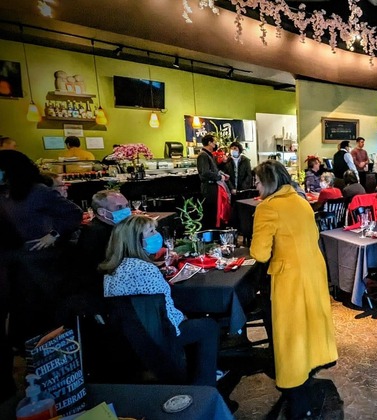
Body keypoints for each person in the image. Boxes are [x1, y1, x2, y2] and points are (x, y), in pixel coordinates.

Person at [250, 160, 338, 419]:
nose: (254, 184)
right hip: (313, 269)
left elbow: (259, 252)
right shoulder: (300, 200)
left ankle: (294, 384)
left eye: (257, 180)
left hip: (288, 275)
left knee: (289, 330)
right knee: (310, 322)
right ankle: (311, 365)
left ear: (268, 181)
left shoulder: (268, 208)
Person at [100, 215, 219, 386]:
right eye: (151, 231)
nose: (156, 234)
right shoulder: (146, 270)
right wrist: (183, 318)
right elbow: (166, 314)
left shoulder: (112, 269)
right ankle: (204, 386)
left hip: (129, 337)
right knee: (208, 326)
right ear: (136, 240)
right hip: (156, 336)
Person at [0, 150, 82, 347]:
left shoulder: (38, 192)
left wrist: (54, 234)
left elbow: (73, 213)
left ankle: (42, 351)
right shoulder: (3, 193)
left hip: (37, 263)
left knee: (35, 310)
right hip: (9, 260)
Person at [75, 190, 131, 292]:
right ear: (102, 212)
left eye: (127, 205)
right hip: (102, 288)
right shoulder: (95, 233)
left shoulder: (114, 226)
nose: (126, 210)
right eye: (119, 207)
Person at [197, 134, 229, 229]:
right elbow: (205, 172)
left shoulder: (209, 155)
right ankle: (211, 235)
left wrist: (222, 174)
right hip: (209, 188)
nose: (215, 144)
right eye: (214, 142)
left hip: (213, 187)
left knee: (215, 211)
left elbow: (214, 169)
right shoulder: (203, 155)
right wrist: (219, 177)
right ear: (210, 143)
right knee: (211, 212)